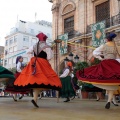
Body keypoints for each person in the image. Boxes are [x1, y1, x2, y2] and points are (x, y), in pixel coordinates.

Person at [14, 32, 62, 108]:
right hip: (43, 63)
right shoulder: (47, 46)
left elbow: (28, 52)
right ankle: (35, 99)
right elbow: (49, 57)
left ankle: (35, 99)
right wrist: (44, 59)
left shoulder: (34, 45)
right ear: (45, 39)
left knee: (36, 81)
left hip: (34, 62)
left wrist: (32, 58)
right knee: (44, 80)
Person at [76, 33, 120, 109]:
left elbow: (95, 52)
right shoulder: (116, 46)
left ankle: (109, 101)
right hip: (114, 63)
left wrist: (101, 57)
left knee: (105, 81)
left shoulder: (104, 45)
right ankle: (109, 101)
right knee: (113, 84)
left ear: (106, 39)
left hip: (105, 63)